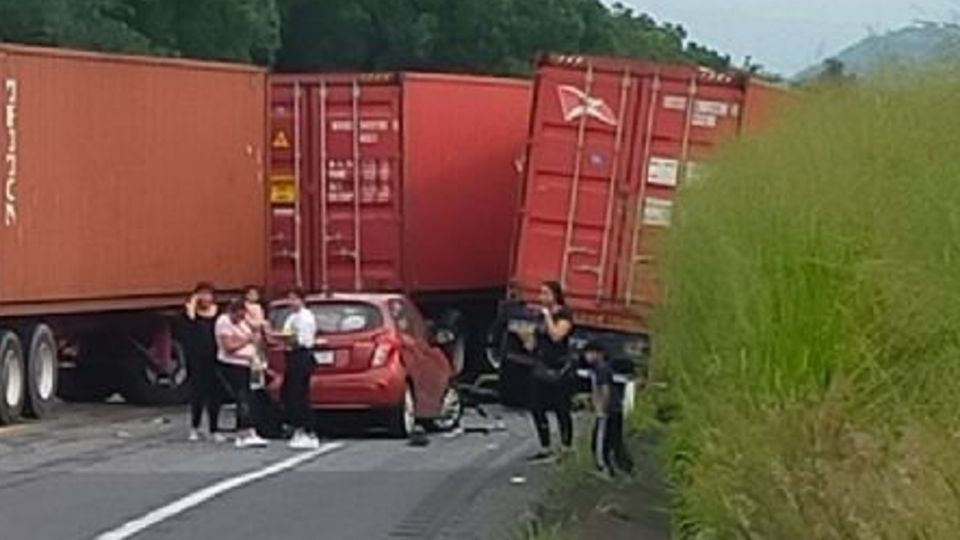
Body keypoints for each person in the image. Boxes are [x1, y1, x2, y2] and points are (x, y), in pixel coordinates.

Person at [519, 281, 575, 461]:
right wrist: (526, 338)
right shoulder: (540, 316)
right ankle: (545, 446)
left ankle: (566, 447)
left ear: (555, 295)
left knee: (561, 408)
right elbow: (533, 344)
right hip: (541, 364)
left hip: (559, 366)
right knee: (537, 407)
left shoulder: (564, 314)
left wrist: (548, 317)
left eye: (546, 294)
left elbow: (557, 336)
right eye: (540, 293)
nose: (542, 298)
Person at [215, 298, 268, 449]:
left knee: (249, 397)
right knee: (242, 397)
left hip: (247, 363)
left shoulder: (242, 322)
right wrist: (246, 340)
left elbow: (255, 338)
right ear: (232, 312)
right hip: (232, 364)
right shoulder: (224, 322)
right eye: (238, 316)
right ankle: (244, 432)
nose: (240, 319)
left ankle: (250, 430)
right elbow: (229, 346)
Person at [584, 340, 634, 478]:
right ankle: (626, 468)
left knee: (600, 442)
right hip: (615, 410)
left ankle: (605, 469)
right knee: (615, 441)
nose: (587, 356)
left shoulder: (601, 369)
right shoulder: (600, 369)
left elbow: (605, 390)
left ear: (599, 354)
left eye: (590, 353)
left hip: (609, 411)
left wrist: (601, 409)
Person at [278, 288, 321, 450]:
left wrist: (283, 338)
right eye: (289, 298)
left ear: (302, 300)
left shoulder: (305, 317)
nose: (291, 302)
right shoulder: (291, 317)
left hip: (301, 355)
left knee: (300, 394)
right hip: (291, 355)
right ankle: (296, 427)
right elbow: (287, 334)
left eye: (294, 299)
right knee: (289, 393)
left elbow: (299, 339)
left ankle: (307, 431)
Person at [182, 282, 223, 442]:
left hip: (216, 357)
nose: (205, 298)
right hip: (197, 358)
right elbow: (188, 331)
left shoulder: (219, 313)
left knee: (215, 394)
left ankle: (214, 429)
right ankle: (195, 427)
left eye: (208, 294)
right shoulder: (191, 314)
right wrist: (191, 311)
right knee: (197, 393)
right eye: (202, 294)